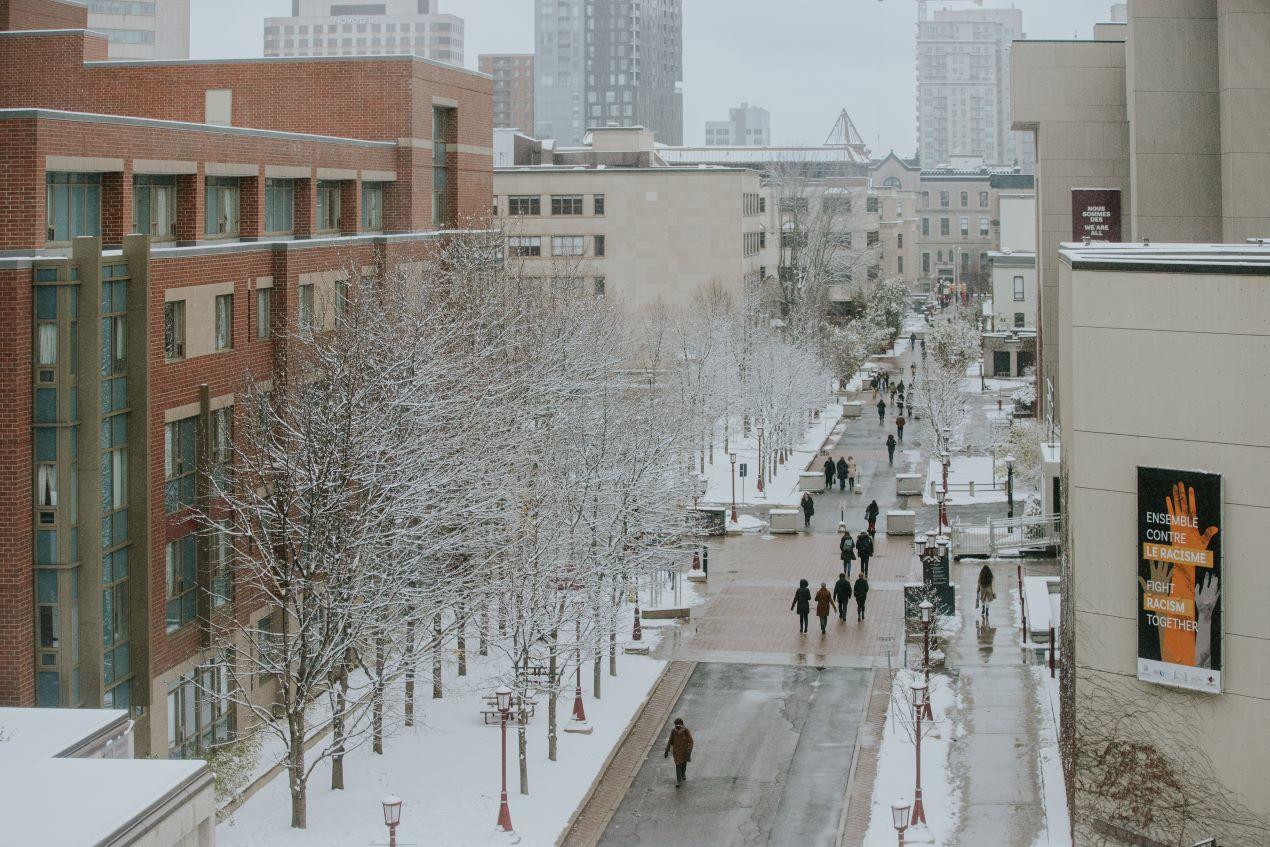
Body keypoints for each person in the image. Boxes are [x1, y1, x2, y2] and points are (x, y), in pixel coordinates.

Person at [664, 718, 695, 787]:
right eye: (676, 725)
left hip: (684, 751)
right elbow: (670, 741)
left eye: (678, 725)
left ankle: (683, 773)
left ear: (682, 724)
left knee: (684, 764)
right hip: (676, 752)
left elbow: (691, 741)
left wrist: (689, 749)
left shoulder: (686, 731)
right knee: (678, 765)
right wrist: (667, 750)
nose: (677, 727)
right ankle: (679, 781)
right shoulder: (673, 732)